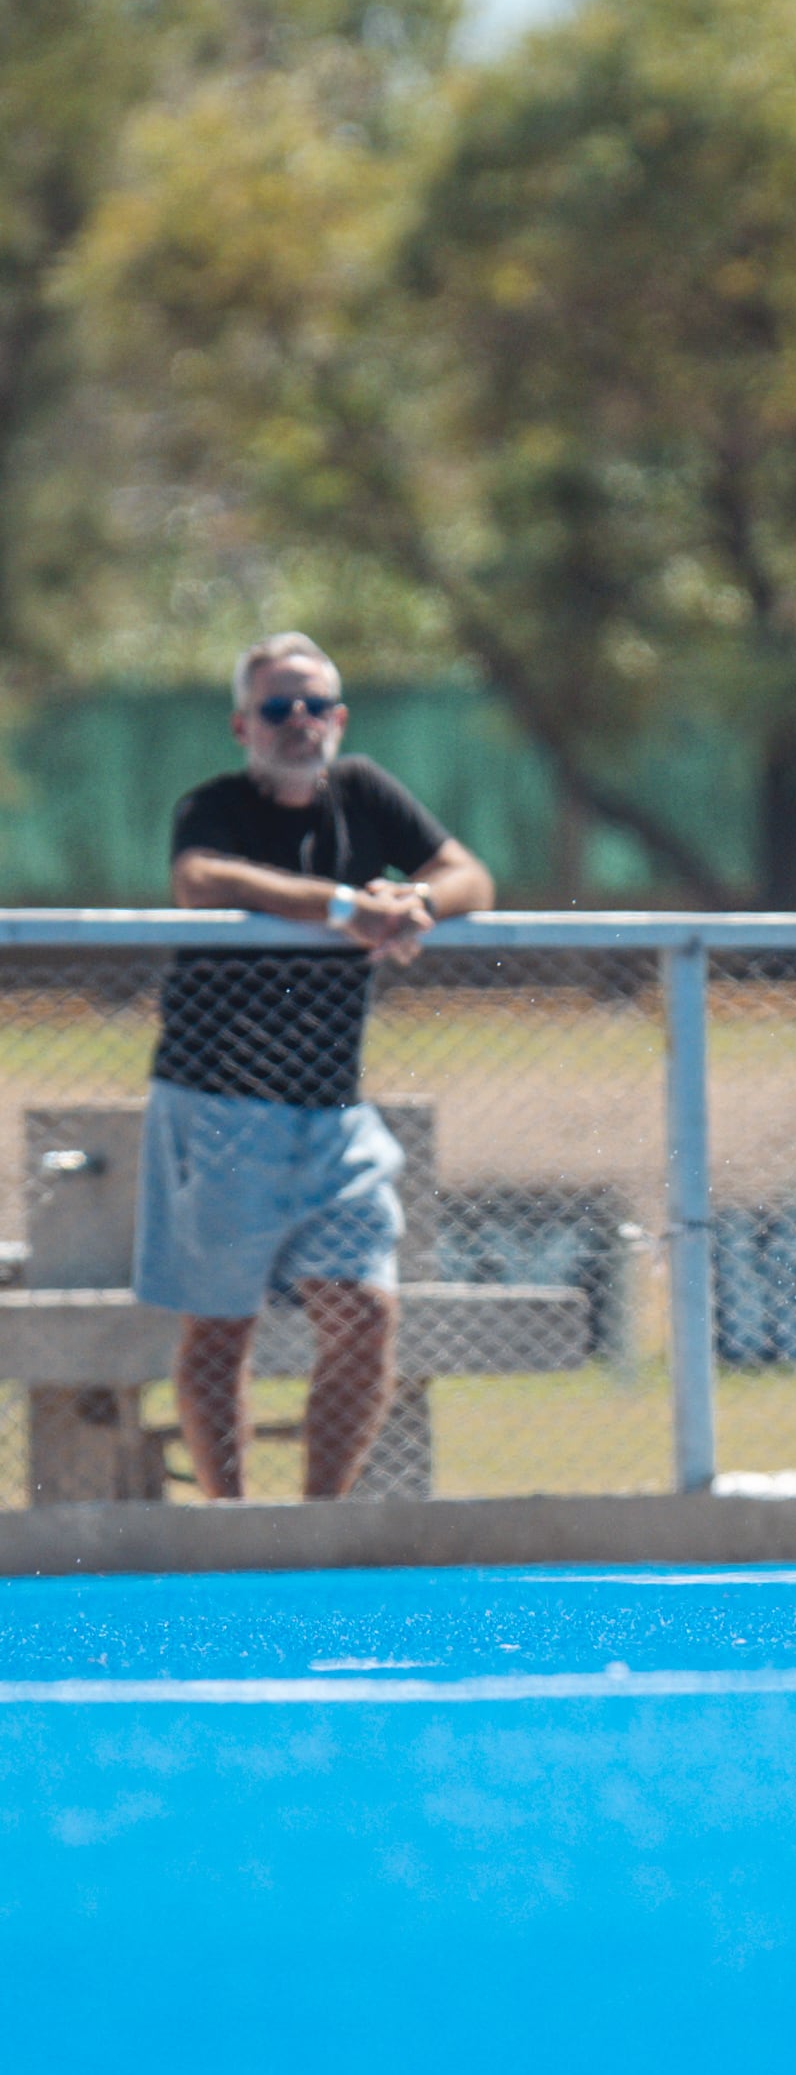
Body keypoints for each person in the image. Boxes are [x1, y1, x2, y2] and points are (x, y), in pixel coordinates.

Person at [141, 632, 496, 1499]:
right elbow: (200, 878)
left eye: (314, 706)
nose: (297, 723)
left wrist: (412, 904)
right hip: (218, 1100)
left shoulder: (366, 792)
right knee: (223, 1330)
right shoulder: (214, 805)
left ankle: (315, 1524)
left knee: (364, 1314)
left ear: (337, 718)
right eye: (276, 707)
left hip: (333, 1110)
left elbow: (468, 876)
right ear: (242, 725)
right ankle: (235, 1527)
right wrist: (342, 907)